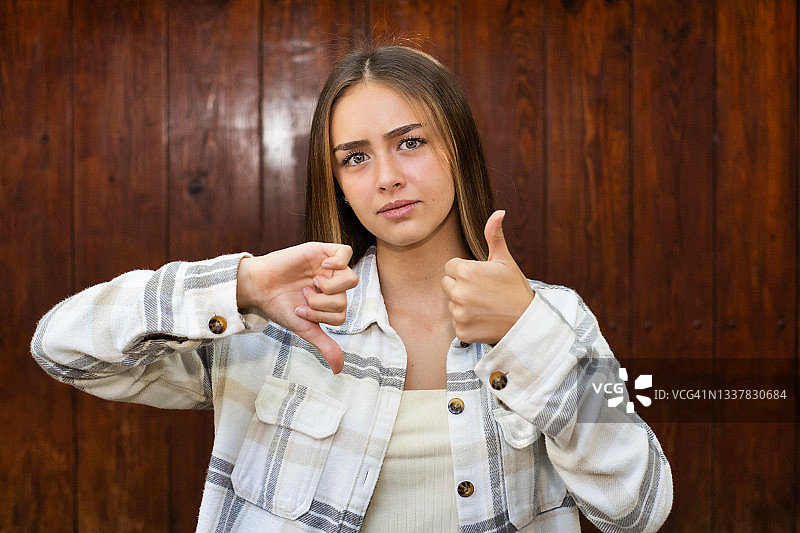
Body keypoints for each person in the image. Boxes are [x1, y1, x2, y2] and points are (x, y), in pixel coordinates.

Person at [32, 45, 672, 532]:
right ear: (337, 182)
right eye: (356, 157)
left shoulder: (554, 318)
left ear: (459, 149)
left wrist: (527, 334)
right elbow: (62, 348)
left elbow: (639, 508)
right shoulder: (281, 323)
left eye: (410, 142)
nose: (386, 177)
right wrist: (242, 286)